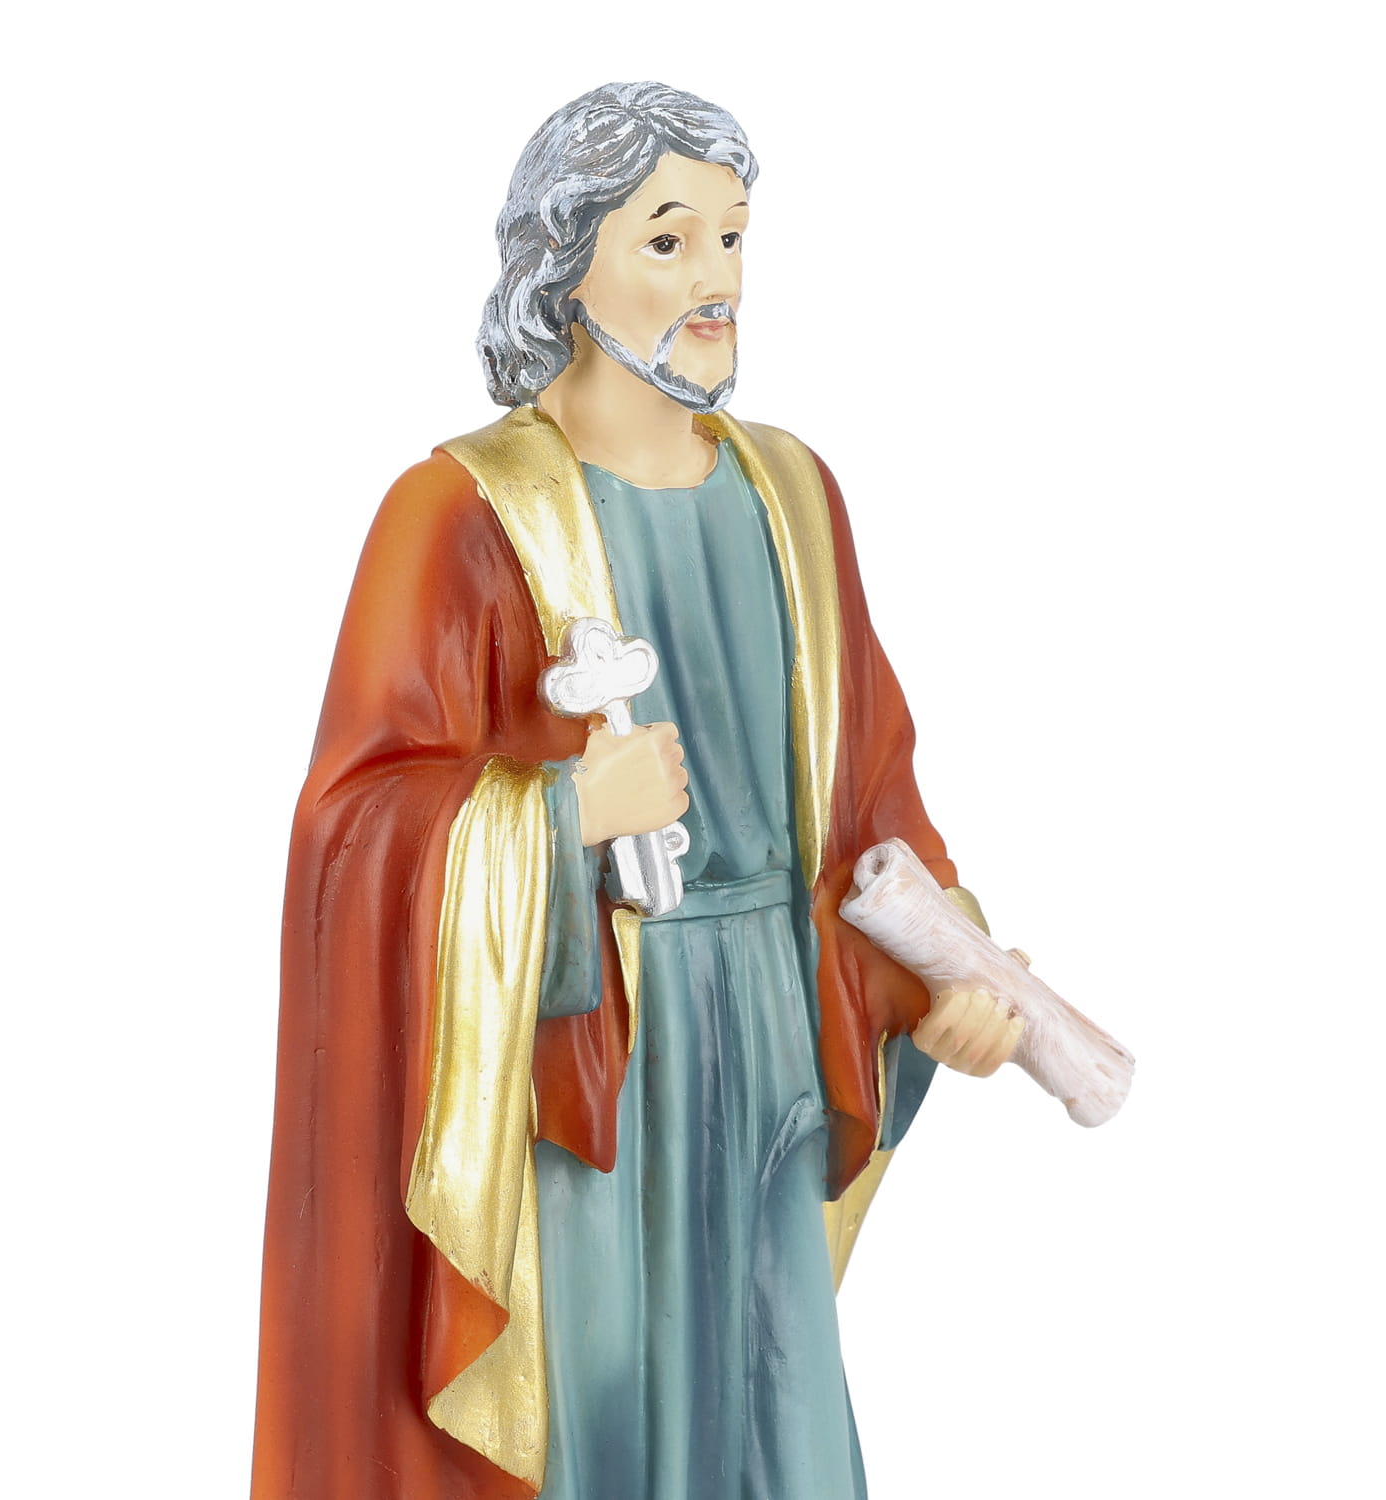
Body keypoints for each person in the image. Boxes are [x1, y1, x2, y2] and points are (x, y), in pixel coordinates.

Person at [251, 82, 1022, 1500]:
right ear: (565, 262)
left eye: (734, 237)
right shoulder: (460, 511)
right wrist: (559, 817)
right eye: (668, 241)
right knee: (600, 1408)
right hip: (587, 1057)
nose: (718, 280)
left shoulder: (793, 494)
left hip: (773, 1037)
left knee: (769, 1411)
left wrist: (944, 975)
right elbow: (354, 829)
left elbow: (870, 812)